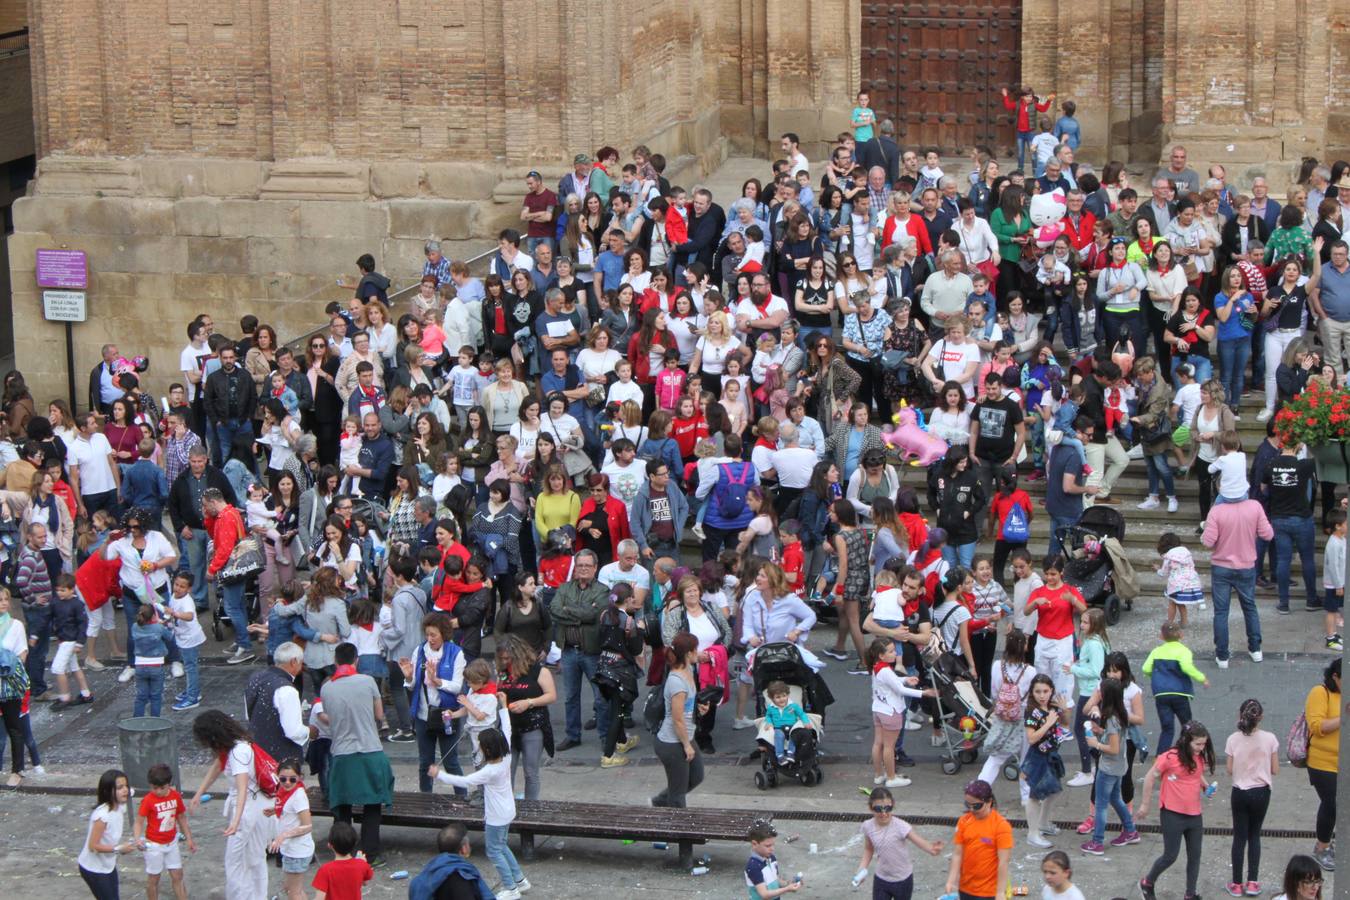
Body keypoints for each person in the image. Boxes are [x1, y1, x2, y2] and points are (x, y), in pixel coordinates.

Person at [430, 729, 531, 900]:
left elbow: (465, 781)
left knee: (494, 851)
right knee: (501, 845)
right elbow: (507, 729)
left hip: (497, 817)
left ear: (488, 750)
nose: (479, 749)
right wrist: (504, 707)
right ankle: (520, 880)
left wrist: (439, 774)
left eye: (481, 746)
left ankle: (511, 888)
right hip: (507, 811)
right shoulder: (506, 758)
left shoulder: (490, 771)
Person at [321, 642, 394, 866]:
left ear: (335, 662)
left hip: (342, 754)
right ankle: (370, 854)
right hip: (370, 750)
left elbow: (330, 719)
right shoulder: (368, 681)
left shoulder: (327, 688)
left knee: (342, 806)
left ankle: (343, 853)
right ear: (357, 661)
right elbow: (379, 715)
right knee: (372, 804)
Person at [187, 710, 271, 900]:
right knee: (255, 857)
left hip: (248, 808)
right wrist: (199, 793)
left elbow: (242, 789)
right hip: (257, 806)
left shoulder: (237, 753)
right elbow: (218, 765)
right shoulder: (237, 745)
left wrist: (237, 820)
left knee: (235, 862)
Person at [1137, 721, 1217, 900]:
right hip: (1172, 814)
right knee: (1170, 855)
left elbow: (1196, 774)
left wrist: (1206, 787)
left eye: (1203, 744)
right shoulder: (1169, 757)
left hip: (1194, 814)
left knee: (1195, 856)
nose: (1201, 748)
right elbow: (1150, 777)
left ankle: (1190, 894)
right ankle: (1147, 882)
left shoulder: (1198, 757)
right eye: (1197, 744)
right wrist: (1145, 804)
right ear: (1186, 741)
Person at [1202, 489, 1272, 668]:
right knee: (1250, 608)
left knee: (1221, 612)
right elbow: (1268, 534)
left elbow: (1208, 541)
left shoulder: (1217, 511)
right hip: (1246, 566)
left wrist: (1205, 529)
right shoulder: (1255, 506)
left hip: (1221, 567)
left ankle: (1222, 656)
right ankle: (1255, 649)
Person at [651, 631, 711, 808]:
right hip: (672, 742)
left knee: (696, 777)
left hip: (685, 735)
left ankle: (660, 801)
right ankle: (678, 830)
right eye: (696, 649)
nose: (698, 652)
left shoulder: (689, 669)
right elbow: (677, 719)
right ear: (688, 653)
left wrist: (699, 708)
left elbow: (687, 705)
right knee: (678, 794)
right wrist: (686, 745)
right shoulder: (676, 681)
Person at [853, 785, 944, 900]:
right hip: (881, 879)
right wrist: (862, 869)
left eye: (888, 808)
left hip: (903, 880)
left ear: (893, 806)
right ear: (870, 808)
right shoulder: (868, 826)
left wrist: (932, 849)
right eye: (878, 809)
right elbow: (868, 849)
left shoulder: (901, 826)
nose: (884, 813)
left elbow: (918, 840)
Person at [134, 762, 195, 900]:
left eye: (162, 788)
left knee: (178, 875)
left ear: (169, 784)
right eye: (155, 788)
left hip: (171, 842)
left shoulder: (175, 797)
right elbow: (139, 822)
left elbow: (181, 818)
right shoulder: (148, 800)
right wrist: (137, 839)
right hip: (154, 845)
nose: (159, 791)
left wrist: (189, 838)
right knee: (154, 878)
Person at [944, 778, 1013, 900]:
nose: (971, 810)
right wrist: (951, 880)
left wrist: (1000, 892)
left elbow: (1004, 862)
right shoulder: (964, 821)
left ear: (989, 802)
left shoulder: (1001, 826)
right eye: (968, 805)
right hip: (965, 887)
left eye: (976, 806)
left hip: (988, 891)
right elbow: (957, 854)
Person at [1304, 657, 1340, 872]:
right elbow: (1317, 726)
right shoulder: (1320, 692)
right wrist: (1344, 717)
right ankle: (1322, 846)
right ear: (1335, 676)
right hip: (1323, 762)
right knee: (1331, 803)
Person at [78, 769, 134, 899]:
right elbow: (93, 846)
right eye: (120, 787)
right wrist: (119, 848)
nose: (125, 790)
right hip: (93, 869)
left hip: (108, 865)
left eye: (126, 786)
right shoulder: (102, 816)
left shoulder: (120, 802)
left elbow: (131, 791)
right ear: (108, 792)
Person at [310, 822, 374, 898]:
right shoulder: (362, 865)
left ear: (330, 845)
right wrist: (363, 863)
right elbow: (365, 883)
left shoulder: (325, 870)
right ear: (354, 844)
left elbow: (319, 898)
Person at [744, 820, 802, 899]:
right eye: (768, 846)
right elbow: (764, 894)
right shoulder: (753, 866)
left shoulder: (771, 858)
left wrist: (789, 884)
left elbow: (776, 879)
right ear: (754, 844)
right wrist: (787, 889)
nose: (772, 849)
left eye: (773, 845)